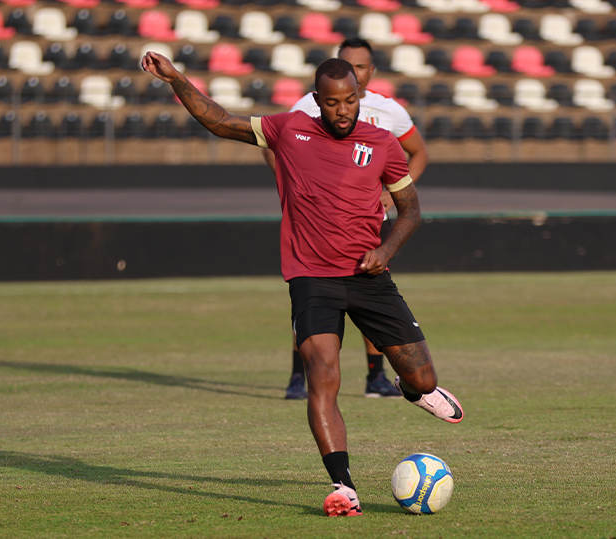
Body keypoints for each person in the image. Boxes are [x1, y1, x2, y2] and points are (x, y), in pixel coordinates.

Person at [142, 52, 463, 517]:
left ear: (360, 97)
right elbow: (219, 121)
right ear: (318, 100)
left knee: (424, 376)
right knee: (323, 377)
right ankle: (343, 485)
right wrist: (175, 78)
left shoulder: (383, 143)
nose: (343, 110)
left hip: (369, 277)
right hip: (312, 279)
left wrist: (385, 251)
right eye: (333, 103)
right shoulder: (288, 130)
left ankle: (412, 390)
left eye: (351, 100)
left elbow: (411, 210)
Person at [263, 38, 429, 401]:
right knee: (312, 311)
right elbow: (277, 143)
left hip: (365, 225)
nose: (353, 73)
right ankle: (297, 376)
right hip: (315, 233)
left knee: (368, 295)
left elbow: (417, 153)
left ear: (371, 72)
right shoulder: (309, 106)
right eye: (346, 65)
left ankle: (377, 377)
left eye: (360, 67)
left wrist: (391, 192)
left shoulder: (388, 112)